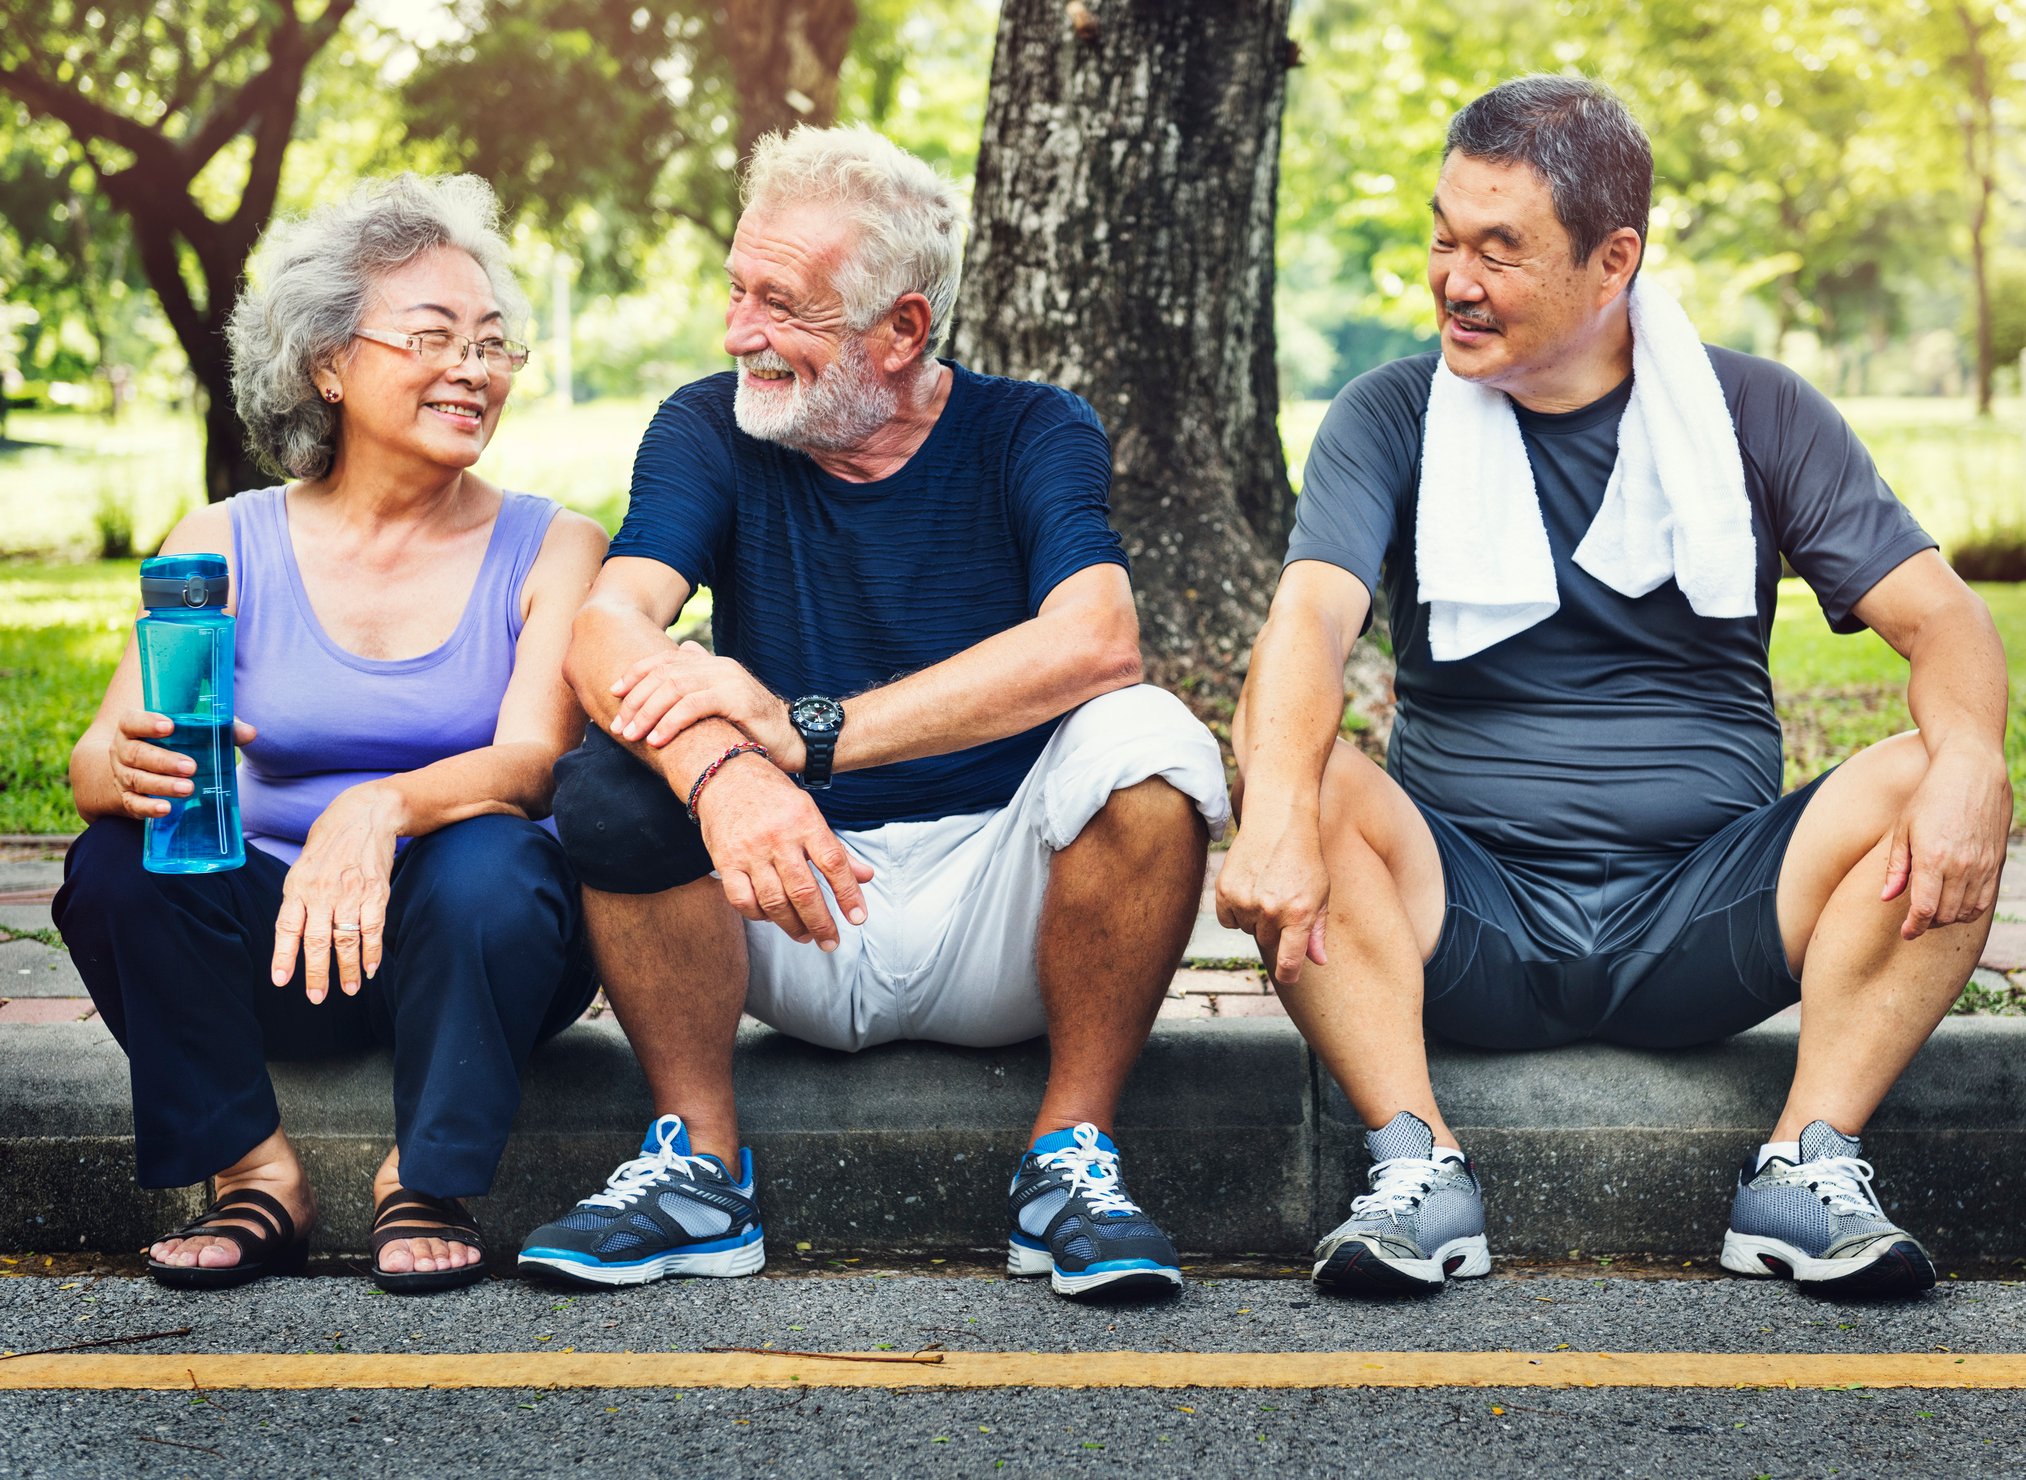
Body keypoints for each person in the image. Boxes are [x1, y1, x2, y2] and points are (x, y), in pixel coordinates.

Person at [1218, 76, 2011, 1298]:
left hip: (1710, 913)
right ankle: (1412, 1168)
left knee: (1944, 770)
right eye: (1441, 236)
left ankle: (1806, 1166)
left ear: (1612, 260)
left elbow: (1943, 618)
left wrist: (1970, 761)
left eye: (1499, 249)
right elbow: (1309, 621)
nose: (1454, 279)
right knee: (1298, 766)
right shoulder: (1390, 414)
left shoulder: (1753, 411)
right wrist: (1272, 806)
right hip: (1464, 914)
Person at [515, 125, 1228, 1301]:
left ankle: (1069, 1161)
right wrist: (728, 775)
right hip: (785, 901)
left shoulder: (1031, 428)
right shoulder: (709, 425)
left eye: (783, 305)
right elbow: (607, 629)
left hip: (1003, 908)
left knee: (1152, 742)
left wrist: (805, 731)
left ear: (902, 330)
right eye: (737, 290)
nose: (741, 331)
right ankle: (697, 1167)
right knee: (613, 771)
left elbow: (1096, 638)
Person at [54, 175, 607, 1293]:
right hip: (273, 947)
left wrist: (382, 804)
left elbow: (535, 763)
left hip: (474, 955)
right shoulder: (226, 540)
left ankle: (425, 1176)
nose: (475, 368)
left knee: (496, 855)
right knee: (115, 862)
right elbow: (89, 765)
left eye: (494, 344)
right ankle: (254, 1173)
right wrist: (127, 765)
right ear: (328, 363)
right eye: (433, 336)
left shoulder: (555, 543)